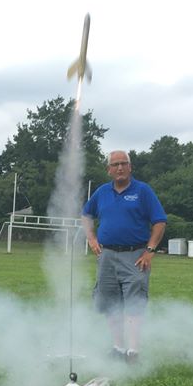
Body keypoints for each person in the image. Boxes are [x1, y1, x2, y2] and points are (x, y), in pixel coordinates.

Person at [82, 150, 167, 363]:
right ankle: (118, 348)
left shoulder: (143, 191)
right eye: (115, 164)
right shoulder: (101, 192)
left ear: (130, 167)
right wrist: (91, 239)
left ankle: (133, 352)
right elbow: (86, 215)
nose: (119, 168)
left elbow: (159, 221)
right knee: (110, 303)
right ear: (109, 169)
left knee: (134, 303)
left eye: (123, 163)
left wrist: (150, 250)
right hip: (107, 256)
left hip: (136, 255)